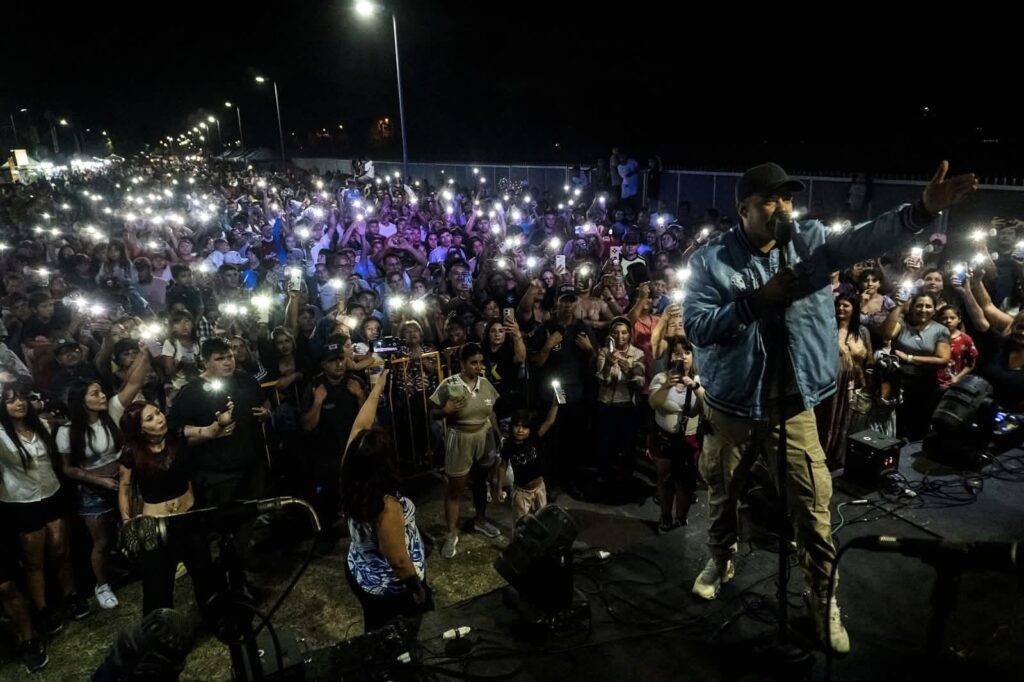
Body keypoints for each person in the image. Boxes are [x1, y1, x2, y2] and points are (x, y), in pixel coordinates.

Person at [683, 160, 976, 655]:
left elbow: (867, 237)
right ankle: (720, 556)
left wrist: (922, 210)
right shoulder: (711, 261)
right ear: (743, 208)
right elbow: (696, 326)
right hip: (732, 406)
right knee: (722, 491)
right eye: (770, 200)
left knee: (813, 508)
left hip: (791, 407)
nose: (783, 208)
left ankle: (821, 598)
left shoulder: (811, 241)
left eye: (787, 198)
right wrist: (755, 302)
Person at [117, 400, 233, 616]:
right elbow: (124, 488)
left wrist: (221, 422)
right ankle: (161, 628)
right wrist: (127, 522)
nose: (159, 419)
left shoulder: (177, 435)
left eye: (158, 412)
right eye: (150, 418)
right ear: (139, 429)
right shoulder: (131, 452)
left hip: (188, 517)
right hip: (156, 527)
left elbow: (208, 432)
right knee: (157, 586)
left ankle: (217, 619)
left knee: (204, 574)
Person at [341, 369, 433, 631]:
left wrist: (378, 386)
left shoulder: (349, 472)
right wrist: (418, 590)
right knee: (398, 635)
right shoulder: (385, 507)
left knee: (374, 628)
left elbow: (360, 426)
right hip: (391, 587)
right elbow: (398, 561)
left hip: (361, 571)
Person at [0, 385, 90, 635]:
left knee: (60, 549)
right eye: (10, 401)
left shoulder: (41, 425)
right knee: (34, 561)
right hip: (22, 500)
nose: (19, 403)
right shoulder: (2, 435)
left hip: (52, 493)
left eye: (21, 398)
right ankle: (43, 609)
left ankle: (70, 595)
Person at [168, 338, 271, 508]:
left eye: (230, 357)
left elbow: (265, 402)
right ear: (205, 363)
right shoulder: (192, 392)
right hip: (217, 474)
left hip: (252, 465)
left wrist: (266, 413)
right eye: (220, 359)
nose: (228, 362)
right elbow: (176, 431)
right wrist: (209, 433)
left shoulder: (246, 380)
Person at [57, 380, 127, 611]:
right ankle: (102, 585)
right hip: (93, 491)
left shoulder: (109, 419)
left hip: (122, 483)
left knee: (129, 529)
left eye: (101, 391)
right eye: (95, 393)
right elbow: (68, 468)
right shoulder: (67, 431)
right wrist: (100, 481)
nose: (102, 396)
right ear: (81, 400)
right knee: (102, 542)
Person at [430, 343, 502, 558]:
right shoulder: (450, 384)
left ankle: (480, 520)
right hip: (460, 438)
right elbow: (432, 413)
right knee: (455, 489)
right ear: (462, 364)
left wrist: (497, 434)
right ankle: (451, 533)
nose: (478, 367)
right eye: (473, 363)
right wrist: (445, 410)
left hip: (484, 436)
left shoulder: (485, 383)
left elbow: (491, 413)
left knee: (481, 482)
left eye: (480, 362)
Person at [299, 335, 365, 553]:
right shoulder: (315, 386)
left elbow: (369, 420)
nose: (338, 364)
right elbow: (308, 425)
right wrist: (318, 401)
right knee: (326, 498)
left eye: (341, 358)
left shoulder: (354, 383)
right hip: (326, 455)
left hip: (353, 451)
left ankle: (362, 534)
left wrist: (359, 396)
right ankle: (326, 534)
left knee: (358, 494)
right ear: (323, 364)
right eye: (332, 360)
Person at [648, 336, 703, 531]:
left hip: (689, 441)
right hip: (664, 438)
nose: (683, 357)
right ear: (670, 357)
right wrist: (667, 386)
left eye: (687, 353)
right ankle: (665, 515)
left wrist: (694, 387)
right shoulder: (661, 378)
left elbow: (708, 406)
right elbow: (653, 403)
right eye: (677, 353)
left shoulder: (699, 380)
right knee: (665, 479)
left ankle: (681, 517)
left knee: (685, 481)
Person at [881, 292, 950, 440]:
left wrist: (910, 358)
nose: (923, 309)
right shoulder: (902, 323)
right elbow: (887, 334)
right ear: (912, 308)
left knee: (918, 425)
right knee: (897, 424)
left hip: (925, 383)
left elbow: (943, 359)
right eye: (919, 305)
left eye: (928, 306)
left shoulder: (940, 330)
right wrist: (899, 307)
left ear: (934, 310)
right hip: (899, 380)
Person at [499, 403, 559, 523]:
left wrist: (555, 403)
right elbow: (502, 466)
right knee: (522, 524)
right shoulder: (508, 446)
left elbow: (549, 421)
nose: (520, 430)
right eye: (517, 426)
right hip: (521, 493)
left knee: (541, 521)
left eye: (525, 427)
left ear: (530, 429)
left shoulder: (534, 439)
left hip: (539, 489)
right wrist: (499, 488)